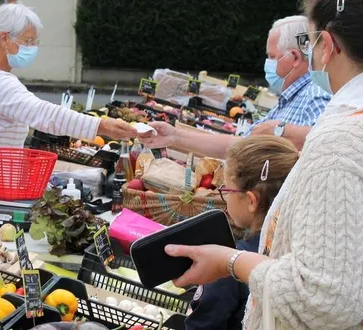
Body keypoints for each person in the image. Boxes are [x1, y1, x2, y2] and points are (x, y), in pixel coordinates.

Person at [162, 0, 363, 328]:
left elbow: (324, 299)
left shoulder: (339, 138)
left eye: (310, 41)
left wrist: (231, 261)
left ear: (326, 45)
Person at [0, 3, 137, 222]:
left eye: (34, 42)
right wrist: (103, 126)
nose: (32, 48)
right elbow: (44, 114)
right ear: (5, 39)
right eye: (28, 41)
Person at [141, 16, 330, 158]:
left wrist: (279, 131)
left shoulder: (315, 96)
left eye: (272, 57)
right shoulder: (290, 99)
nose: (268, 63)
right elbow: (239, 144)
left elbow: (327, 143)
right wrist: (174, 136)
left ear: (295, 58)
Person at [185, 136, 298, 330]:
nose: (225, 197)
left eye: (227, 189)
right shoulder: (298, 257)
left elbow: (201, 325)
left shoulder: (227, 265)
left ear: (251, 201)